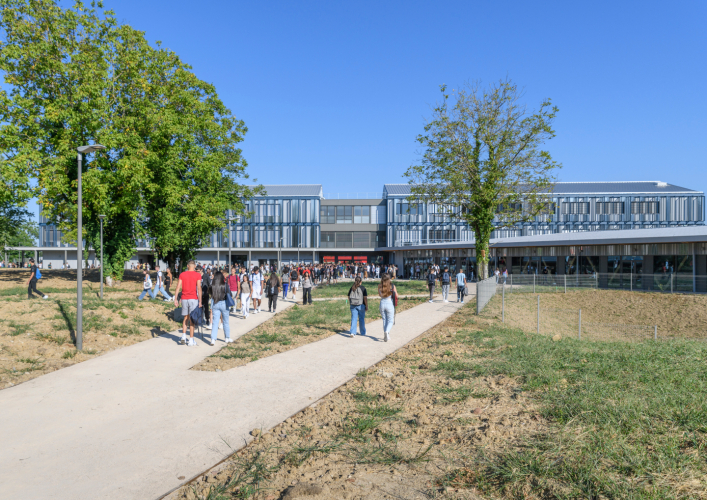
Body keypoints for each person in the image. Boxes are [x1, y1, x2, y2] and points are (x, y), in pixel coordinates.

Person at [173, 260, 202, 346]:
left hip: (184, 298)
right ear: (195, 266)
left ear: (187, 265)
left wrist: (175, 299)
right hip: (193, 298)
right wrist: (200, 301)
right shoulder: (198, 275)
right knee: (192, 319)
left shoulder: (182, 274)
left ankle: (183, 336)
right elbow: (199, 288)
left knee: (186, 317)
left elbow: (178, 287)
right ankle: (191, 340)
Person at [208, 272, 233, 346]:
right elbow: (230, 294)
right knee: (225, 321)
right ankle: (227, 338)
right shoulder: (225, 285)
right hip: (224, 303)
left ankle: (213, 339)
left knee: (215, 322)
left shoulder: (212, 285)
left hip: (215, 303)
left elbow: (210, 293)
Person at [378, 274, 396, 342]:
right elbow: (396, 295)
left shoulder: (379, 285)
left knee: (384, 320)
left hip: (382, 302)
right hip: (389, 303)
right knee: (390, 320)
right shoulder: (392, 286)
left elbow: (380, 295)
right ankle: (387, 332)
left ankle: (387, 335)